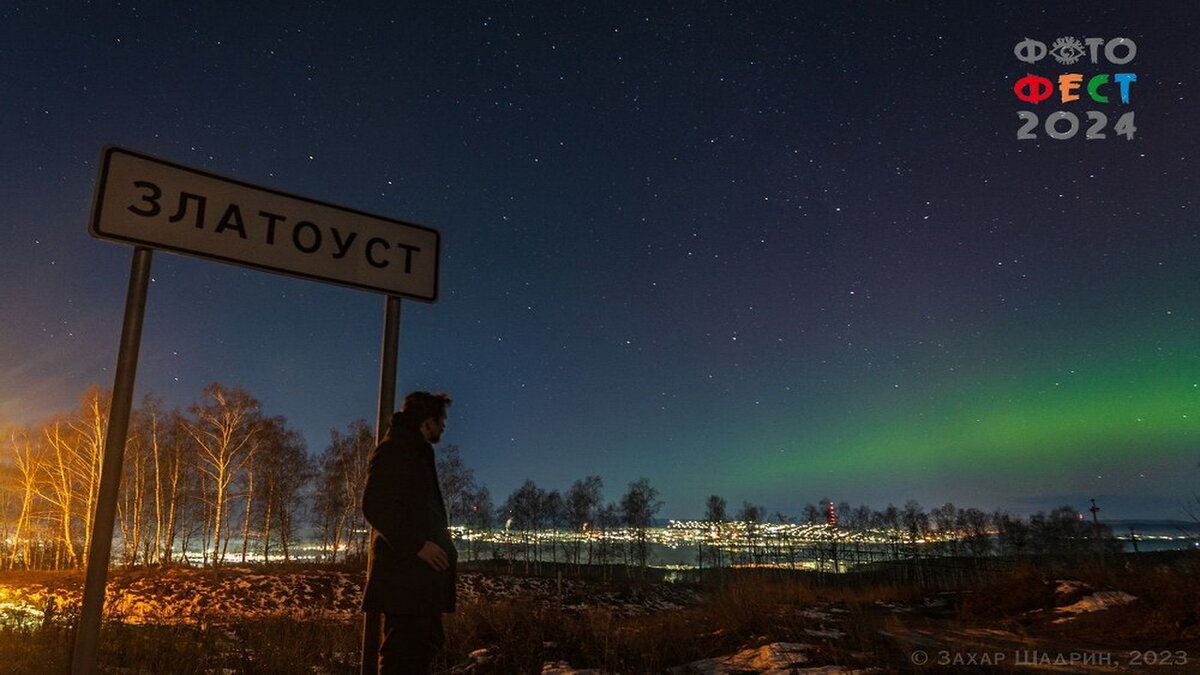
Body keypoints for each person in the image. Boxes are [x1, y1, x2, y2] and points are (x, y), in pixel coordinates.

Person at [362, 391, 457, 673]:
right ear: (427, 422)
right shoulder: (396, 449)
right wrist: (418, 545)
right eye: (441, 420)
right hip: (405, 579)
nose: (444, 426)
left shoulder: (413, 450)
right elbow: (374, 506)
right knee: (403, 654)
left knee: (420, 647)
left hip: (415, 581)